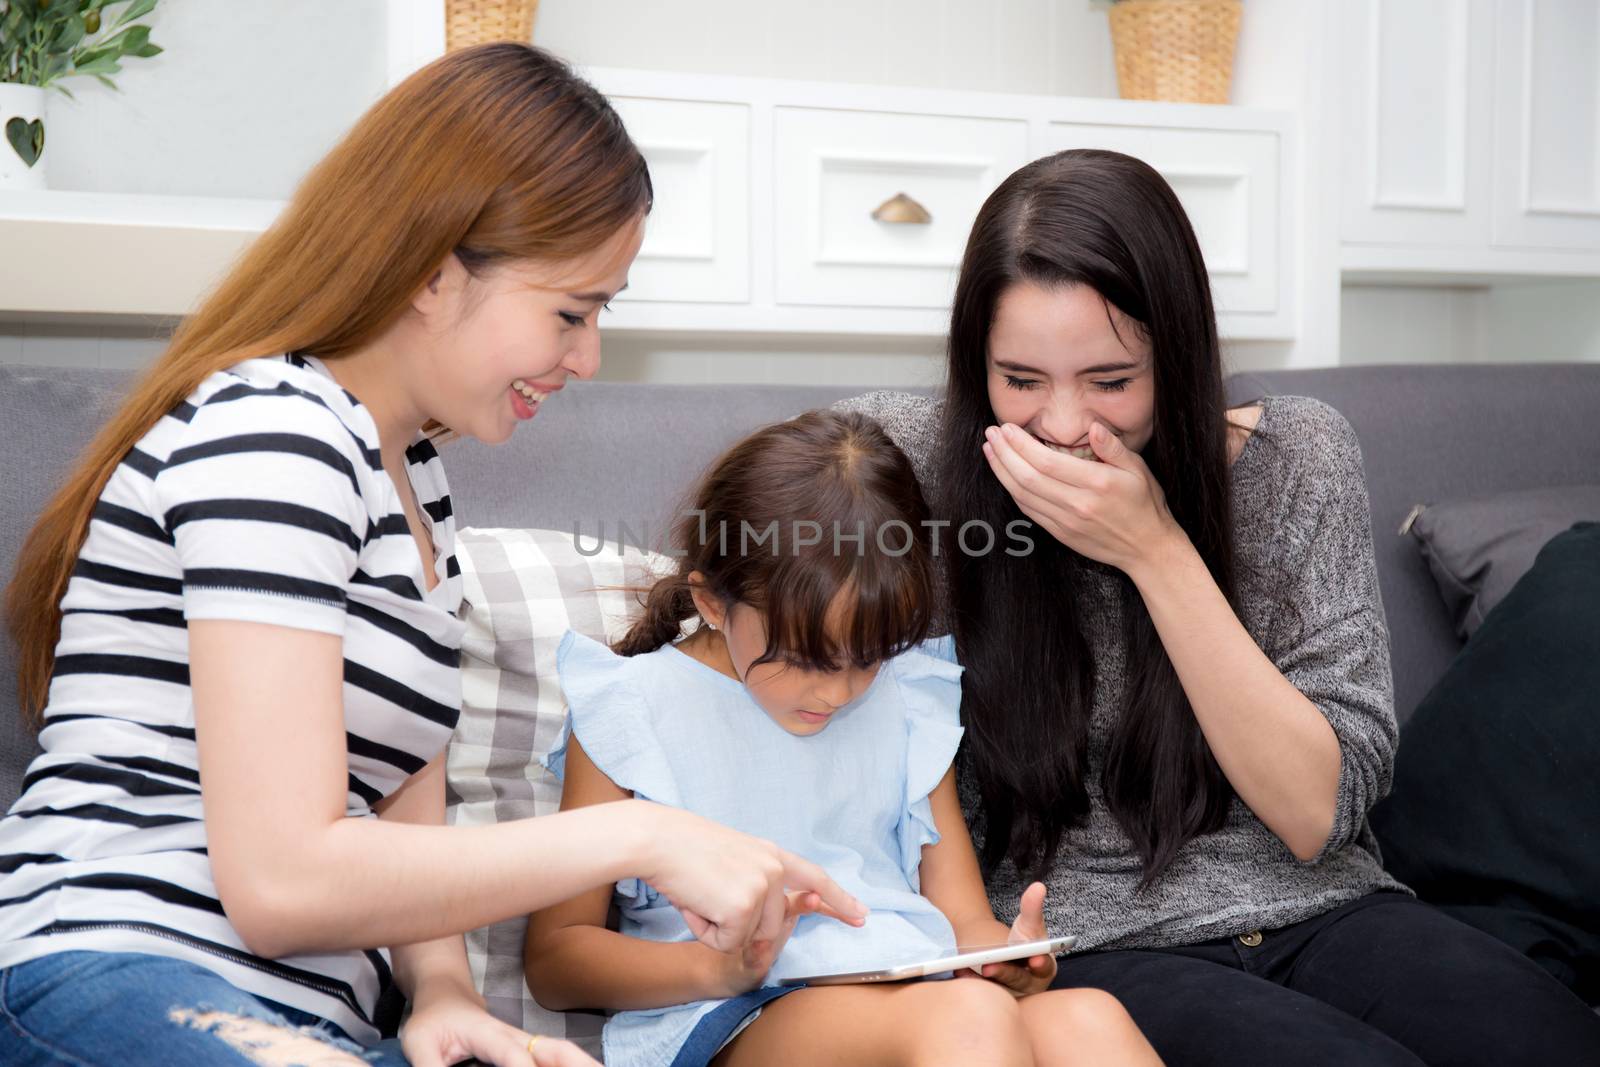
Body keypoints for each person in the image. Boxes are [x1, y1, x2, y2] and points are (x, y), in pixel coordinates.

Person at [0, 44, 862, 1067]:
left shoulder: (409, 472)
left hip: (307, 1019)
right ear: (432, 272)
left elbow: (397, 781)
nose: (586, 357)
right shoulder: (273, 432)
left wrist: (443, 990)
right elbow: (280, 885)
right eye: (570, 311)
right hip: (112, 964)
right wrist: (644, 835)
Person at [835, 148, 1600, 1065]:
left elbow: (1318, 812)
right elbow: (736, 594)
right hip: (1086, 949)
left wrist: (1158, 551)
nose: (1066, 424)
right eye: (1020, 379)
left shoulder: (1298, 459)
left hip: (1324, 906)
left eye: (1112, 381)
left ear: (1180, 353)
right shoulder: (908, 467)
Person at [524, 410, 1163, 1067]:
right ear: (713, 602)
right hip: (732, 1013)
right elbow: (555, 956)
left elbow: (963, 918)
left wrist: (1006, 960)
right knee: (965, 1018)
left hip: (919, 993)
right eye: (805, 660)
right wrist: (717, 968)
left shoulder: (908, 700)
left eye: (870, 657)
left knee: (1090, 1019)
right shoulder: (630, 706)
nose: (840, 692)